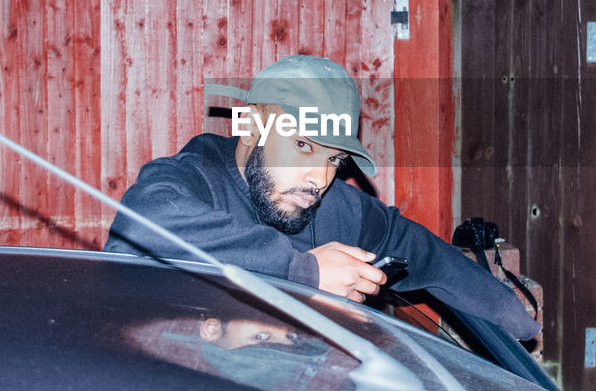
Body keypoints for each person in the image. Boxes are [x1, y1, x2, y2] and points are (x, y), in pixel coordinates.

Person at [104, 54, 539, 341]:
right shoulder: (193, 179)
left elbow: (422, 252)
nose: (319, 178)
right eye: (303, 146)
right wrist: (303, 270)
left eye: (334, 159)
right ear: (253, 127)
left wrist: (510, 317)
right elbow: (141, 225)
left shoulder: (336, 209)